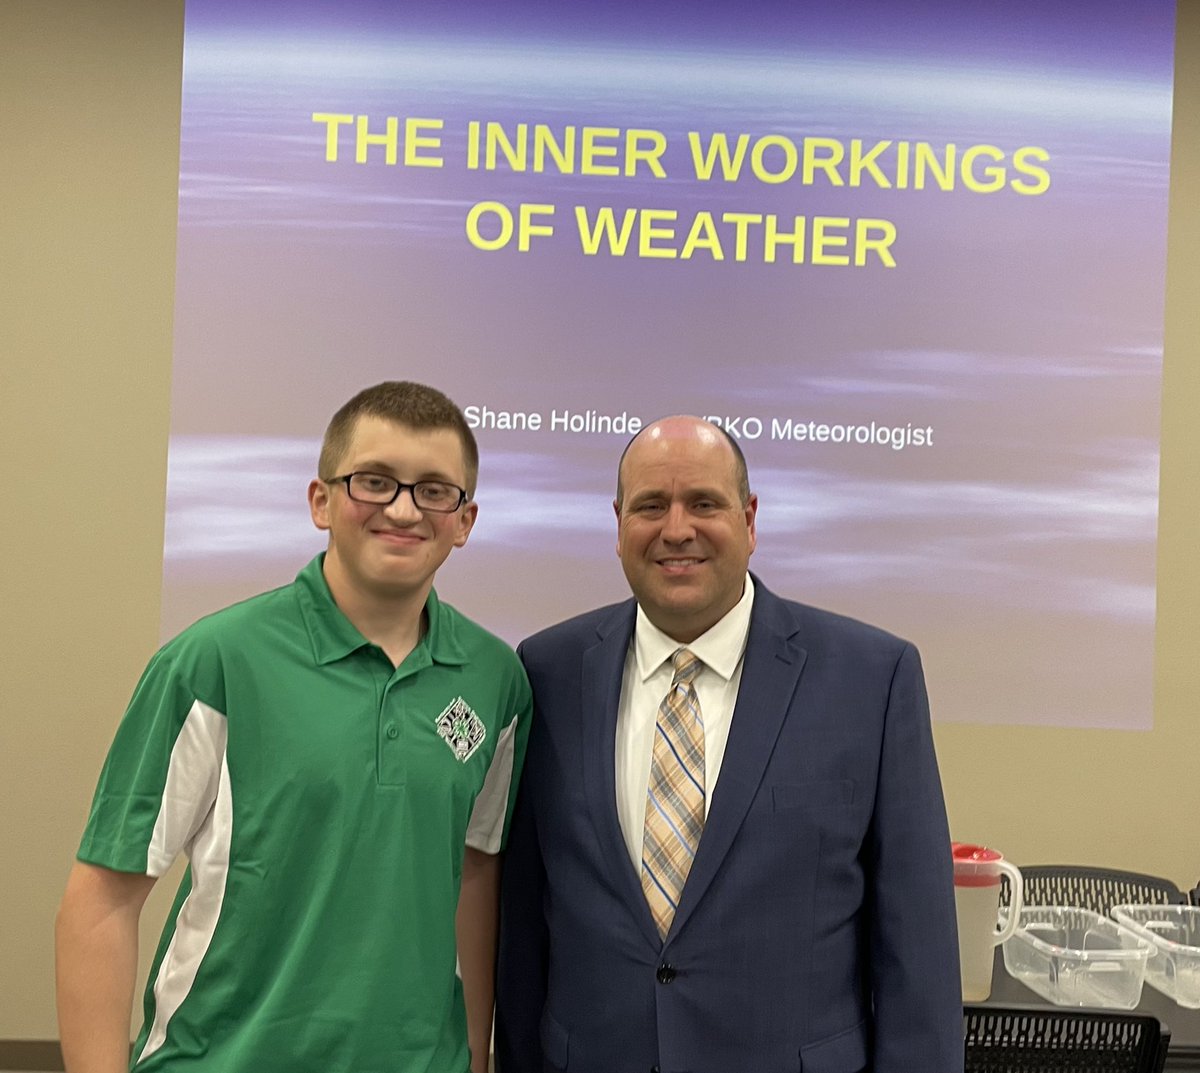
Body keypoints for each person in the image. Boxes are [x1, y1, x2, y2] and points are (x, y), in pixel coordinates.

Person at [56, 381, 531, 1073]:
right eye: (374, 481)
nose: (403, 508)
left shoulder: (495, 679)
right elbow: (102, 900)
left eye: (434, 490)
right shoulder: (213, 662)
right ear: (321, 501)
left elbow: (475, 873)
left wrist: (475, 1061)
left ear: (465, 520)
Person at [495, 415, 961, 1073]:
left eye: (704, 504)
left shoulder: (872, 678)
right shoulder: (547, 671)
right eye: (650, 506)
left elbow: (918, 945)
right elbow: (524, 925)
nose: (676, 529)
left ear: (749, 519)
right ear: (618, 524)